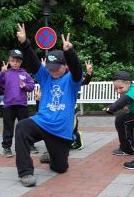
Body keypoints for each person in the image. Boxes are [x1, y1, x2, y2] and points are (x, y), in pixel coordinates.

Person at [14, 23, 82, 187]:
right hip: (42, 122)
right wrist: (24, 43)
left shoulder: (72, 80)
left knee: (60, 168)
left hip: (60, 131)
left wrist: (69, 52)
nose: (52, 71)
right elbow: (34, 61)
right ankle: (25, 173)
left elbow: (77, 68)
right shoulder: (46, 76)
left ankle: (53, 156)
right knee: (22, 127)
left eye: (56, 68)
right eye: (50, 68)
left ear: (65, 66)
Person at [0, 49, 35, 158]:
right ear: (9, 61)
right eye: (13, 61)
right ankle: (6, 147)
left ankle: (29, 145)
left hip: (22, 105)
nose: (15, 63)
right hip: (8, 106)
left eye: (17, 61)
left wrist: (25, 86)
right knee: (8, 127)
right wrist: (1, 72)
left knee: (25, 126)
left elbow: (32, 86)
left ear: (20, 62)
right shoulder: (5, 73)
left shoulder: (25, 74)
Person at [71, 60, 93, 149]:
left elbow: (85, 82)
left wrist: (89, 73)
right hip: (59, 107)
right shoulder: (56, 77)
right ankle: (67, 142)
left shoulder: (73, 78)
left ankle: (77, 138)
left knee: (71, 126)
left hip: (72, 107)